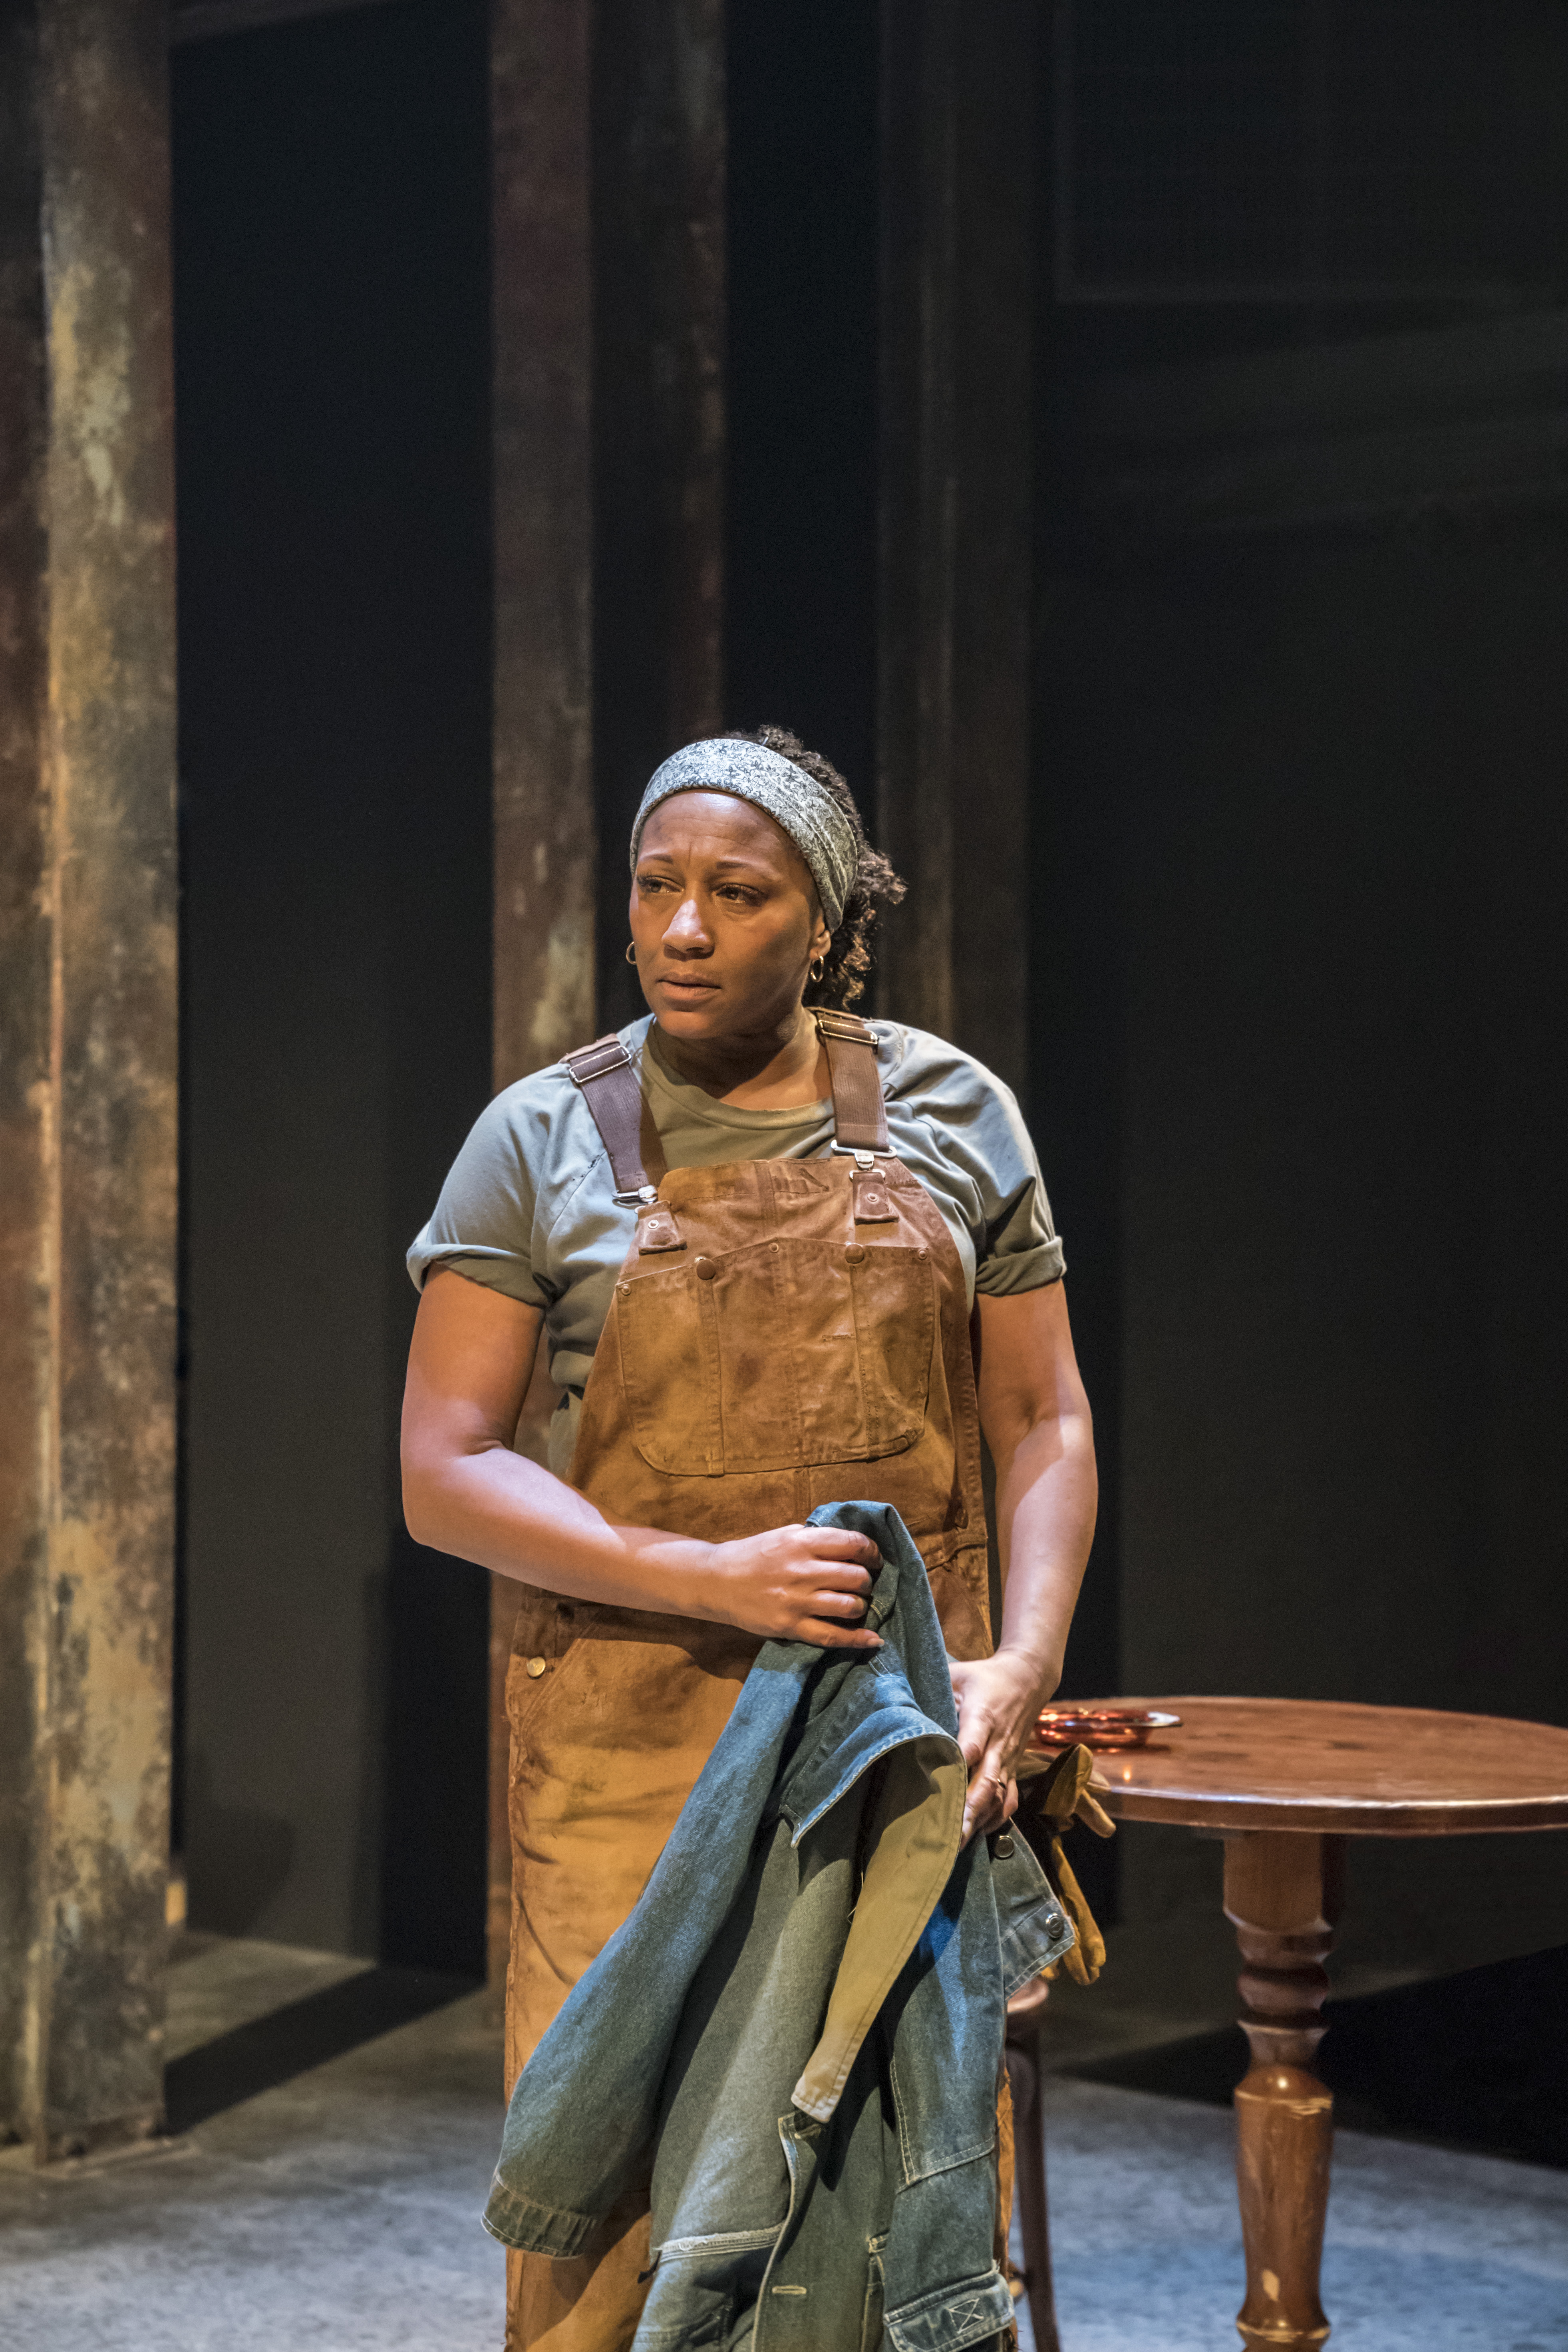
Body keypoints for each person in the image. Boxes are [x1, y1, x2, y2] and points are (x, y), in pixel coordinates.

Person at [401, 727, 1097, 2350]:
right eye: (658, 886)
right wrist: (703, 1574)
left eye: (737, 890)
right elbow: (444, 1468)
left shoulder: (950, 1112)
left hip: (888, 1752)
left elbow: (1041, 1418)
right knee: (613, 2218)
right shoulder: (541, 1138)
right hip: (630, 1755)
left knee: (886, 2197)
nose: (685, 927)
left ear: (829, 922)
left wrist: (1026, 1661)